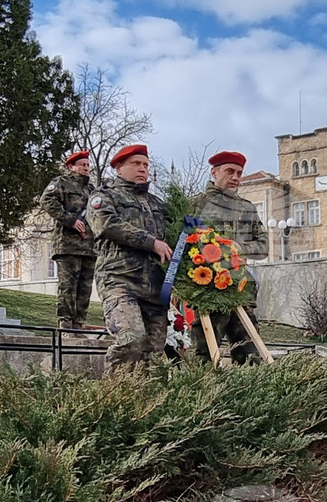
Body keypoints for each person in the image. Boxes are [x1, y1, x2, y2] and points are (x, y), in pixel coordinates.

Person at [87, 144, 172, 370]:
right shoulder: (104, 196)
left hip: (155, 289)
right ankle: (116, 398)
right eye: (135, 163)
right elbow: (106, 224)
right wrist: (151, 242)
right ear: (118, 168)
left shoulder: (158, 205)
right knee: (131, 339)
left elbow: (175, 239)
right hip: (120, 281)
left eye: (145, 164)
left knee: (153, 356)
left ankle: (147, 403)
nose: (142, 168)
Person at [190, 151, 268, 364]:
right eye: (230, 171)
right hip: (207, 289)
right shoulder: (195, 205)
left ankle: (252, 394)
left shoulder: (247, 208)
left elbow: (263, 246)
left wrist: (239, 248)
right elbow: (179, 244)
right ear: (214, 172)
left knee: (250, 352)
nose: (235, 177)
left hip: (241, 287)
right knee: (205, 354)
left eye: (239, 173)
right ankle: (203, 394)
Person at [39, 150, 96, 330]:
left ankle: (79, 323)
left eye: (87, 165)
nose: (86, 168)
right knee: (68, 286)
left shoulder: (92, 190)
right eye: (82, 165)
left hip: (89, 246)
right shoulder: (61, 183)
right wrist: (70, 220)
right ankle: (65, 324)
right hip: (68, 244)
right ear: (71, 166)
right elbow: (46, 200)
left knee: (85, 288)